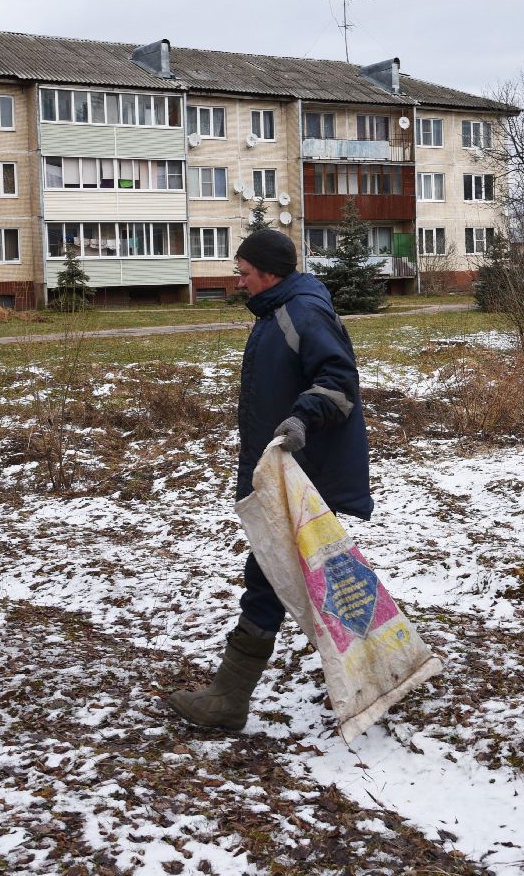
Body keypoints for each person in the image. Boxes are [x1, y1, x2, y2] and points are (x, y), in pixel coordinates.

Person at [167, 228, 372, 730]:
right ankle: (383, 668)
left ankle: (229, 698)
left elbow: (339, 381)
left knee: (268, 576)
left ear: (269, 273)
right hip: (281, 470)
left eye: (244, 273)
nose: (239, 282)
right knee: (312, 576)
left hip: (303, 472)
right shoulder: (277, 309)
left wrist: (303, 417)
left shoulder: (302, 312)